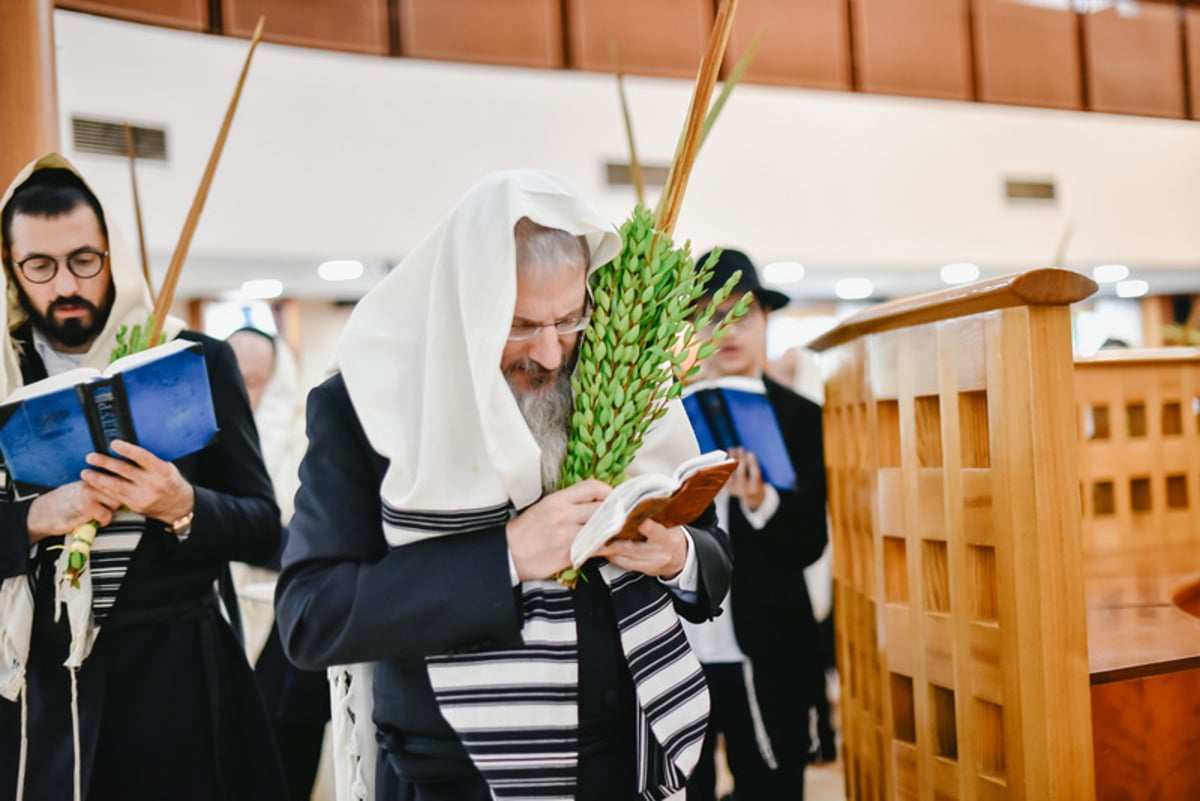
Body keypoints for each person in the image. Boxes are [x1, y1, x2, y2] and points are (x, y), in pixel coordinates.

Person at [274, 170, 733, 801]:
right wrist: (507, 556)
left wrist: (678, 556)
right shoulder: (369, 406)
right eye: (519, 325)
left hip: (630, 758)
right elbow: (311, 615)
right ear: (466, 308)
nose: (550, 354)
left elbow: (710, 555)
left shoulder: (617, 370)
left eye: (569, 318)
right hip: (458, 778)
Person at [0, 154, 287, 800]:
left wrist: (181, 503)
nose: (64, 284)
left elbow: (262, 524)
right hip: (39, 682)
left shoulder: (193, 359)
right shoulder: (4, 371)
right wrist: (39, 515)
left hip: (176, 672)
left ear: (113, 252)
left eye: (84, 259)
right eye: (39, 266)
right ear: (11, 268)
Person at [682, 249, 829, 801]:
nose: (728, 330)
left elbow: (810, 542)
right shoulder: (666, 416)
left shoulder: (801, 416)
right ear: (692, 326)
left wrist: (761, 498)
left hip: (767, 641)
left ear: (766, 318)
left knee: (772, 785)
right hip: (685, 643)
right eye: (713, 316)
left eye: (743, 314)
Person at [226, 326, 331, 801]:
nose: (245, 393)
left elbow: (318, 545)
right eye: (233, 379)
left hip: (291, 650)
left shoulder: (311, 446)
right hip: (224, 636)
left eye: (255, 380)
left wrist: (230, 530)